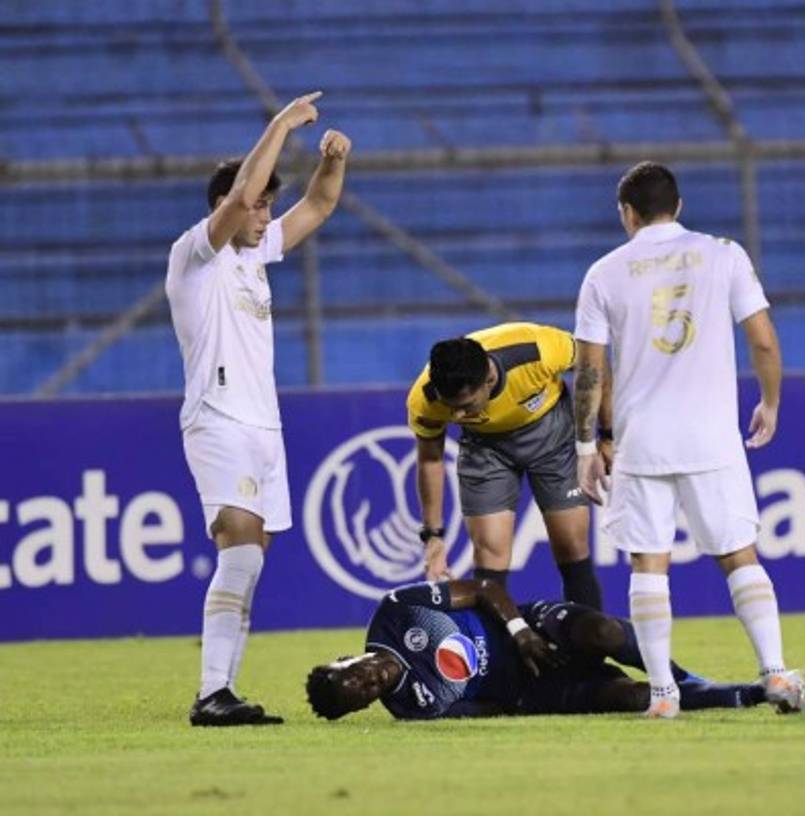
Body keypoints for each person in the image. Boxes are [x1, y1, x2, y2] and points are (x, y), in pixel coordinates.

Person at [570, 161, 805, 719]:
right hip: (711, 437)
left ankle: (661, 695)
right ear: (676, 206)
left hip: (642, 439)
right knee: (738, 555)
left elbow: (588, 371)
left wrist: (588, 448)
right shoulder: (724, 253)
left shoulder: (604, 273)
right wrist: (770, 402)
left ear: (627, 213)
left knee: (648, 564)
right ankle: (774, 673)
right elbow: (764, 342)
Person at [166, 91, 351, 726]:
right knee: (239, 553)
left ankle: (224, 692)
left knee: (251, 567)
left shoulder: (256, 253)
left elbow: (322, 205)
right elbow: (244, 197)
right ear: (226, 206)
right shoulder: (195, 256)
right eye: (260, 203)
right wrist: (281, 124)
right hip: (218, 419)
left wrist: (332, 159)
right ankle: (210, 693)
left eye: (271, 205)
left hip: (264, 427)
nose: (265, 215)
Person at [305, 578, 767, 720]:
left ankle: (686, 678)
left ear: (346, 658)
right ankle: (744, 695)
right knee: (629, 700)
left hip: (531, 628)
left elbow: (483, 588)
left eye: (357, 674)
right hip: (531, 688)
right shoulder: (414, 707)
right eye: (363, 694)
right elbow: (486, 710)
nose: (372, 681)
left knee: (604, 632)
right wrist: (529, 697)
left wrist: (520, 631)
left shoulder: (397, 612)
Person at [407, 323, 608, 609]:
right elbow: (430, 460)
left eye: (465, 404)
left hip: (553, 436)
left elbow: (594, 365)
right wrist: (433, 536)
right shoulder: (425, 398)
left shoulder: (538, 349)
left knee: (572, 547)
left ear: (489, 379)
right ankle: (494, 650)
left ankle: (591, 648)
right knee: (489, 555)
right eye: (450, 405)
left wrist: (607, 435)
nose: (457, 414)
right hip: (485, 449)